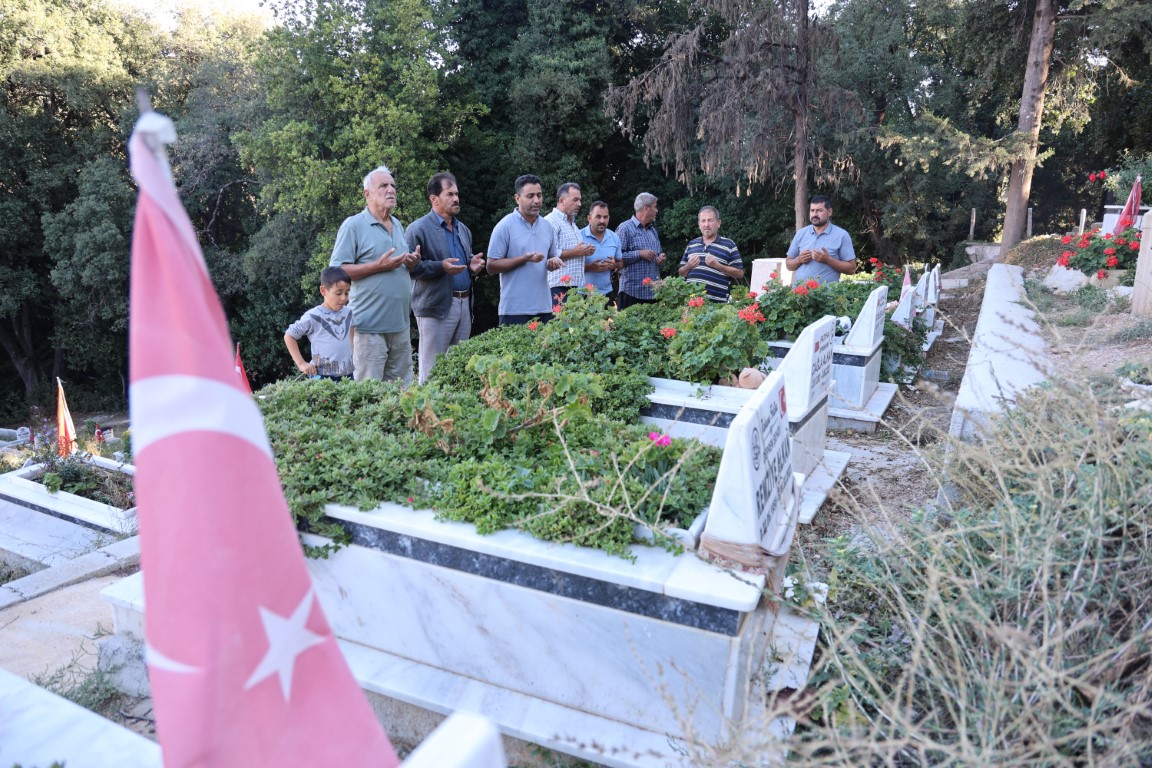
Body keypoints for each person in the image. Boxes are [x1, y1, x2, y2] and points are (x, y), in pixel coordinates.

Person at [329, 165, 421, 383]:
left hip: (400, 326)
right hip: (368, 329)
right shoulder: (353, 225)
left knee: (403, 394)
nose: (391, 190)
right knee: (370, 395)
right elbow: (336, 271)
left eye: (393, 186)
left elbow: (397, 264)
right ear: (367, 194)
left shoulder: (397, 224)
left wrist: (411, 262)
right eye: (383, 186)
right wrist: (378, 266)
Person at [407, 172, 486, 383]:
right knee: (431, 370)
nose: (456, 199)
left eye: (457, 194)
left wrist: (472, 266)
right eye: (449, 194)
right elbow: (410, 269)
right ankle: (426, 413)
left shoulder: (463, 230)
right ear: (434, 199)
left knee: (457, 368)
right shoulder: (417, 229)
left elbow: (463, 262)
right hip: (435, 307)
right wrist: (441, 267)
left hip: (464, 303)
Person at [486, 174, 563, 325]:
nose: (536, 200)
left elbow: (551, 258)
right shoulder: (504, 226)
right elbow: (491, 266)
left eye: (539, 195)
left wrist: (553, 262)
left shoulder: (547, 226)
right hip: (514, 311)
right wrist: (524, 258)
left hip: (544, 308)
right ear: (517, 198)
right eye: (530, 196)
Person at [284, 267, 355, 380]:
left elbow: (351, 332)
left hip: (348, 375)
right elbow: (289, 336)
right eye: (338, 293)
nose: (344, 298)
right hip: (321, 376)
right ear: (323, 291)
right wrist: (301, 364)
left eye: (347, 293)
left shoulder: (348, 312)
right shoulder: (313, 316)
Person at [785, 194, 857, 285]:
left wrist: (828, 260)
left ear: (829, 212)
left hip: (826, 296)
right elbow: (788, 265)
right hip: (800, 295)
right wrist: (799, 259)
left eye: (819, 210)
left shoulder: (842, 235)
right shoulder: (801, 233)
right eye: (812, 210)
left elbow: (851, 269)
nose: (814, 214)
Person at [678, 206, 744, 302]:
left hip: (716, 306)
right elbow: (681, 273)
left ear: (718, 223)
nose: (706, 224)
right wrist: (688, 266)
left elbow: (740, 273)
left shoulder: (729, 244)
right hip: (691, 304)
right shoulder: (692, 244)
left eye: (710, 220)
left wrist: (718, 266)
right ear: (699, 224)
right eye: (703, 221)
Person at [545, 182, 595, 304]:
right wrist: (576, 252)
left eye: (580, 200)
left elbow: (575, 252)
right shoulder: (550, 221)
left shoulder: (573, 225)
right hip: (558, 288)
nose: (579, 204)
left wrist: (585, 251)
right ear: (562, 200)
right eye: (575, 200)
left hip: (576, 288)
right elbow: (549, 253)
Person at [616, 192, 666, 309]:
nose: (657, 210)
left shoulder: (652, 231)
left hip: (653, 293)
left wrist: (659, 259)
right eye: (655, 207)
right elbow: (617, 258)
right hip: (631, 293)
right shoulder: (624, 228)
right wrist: (639, 253)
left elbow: (657, 256)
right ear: (645, 208)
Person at [581, 201, 621, 305]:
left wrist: (614, 265)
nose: (602, 221)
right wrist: (590, 267)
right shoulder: (579, 236)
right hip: (583, 295)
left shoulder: (614, 237)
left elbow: (621, 263)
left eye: (605, 217)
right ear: (589, 218)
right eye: (598, 217)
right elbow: (569, 268)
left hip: (606, 293)